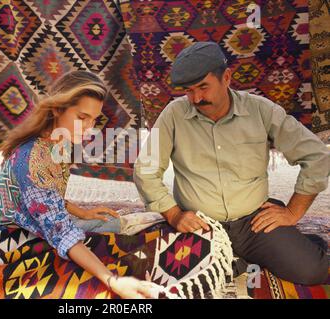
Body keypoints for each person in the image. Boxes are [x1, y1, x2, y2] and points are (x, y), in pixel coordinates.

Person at [134, 41, 330, 285]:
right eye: (188, 90)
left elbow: (316, 155)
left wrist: (292, 212)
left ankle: (258, 252)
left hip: (253, 221)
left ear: (226, 77)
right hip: (200, 225)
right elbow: (146, 169)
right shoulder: (174, 114)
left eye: (203, 87)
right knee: (173, 277)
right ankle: (242, 259)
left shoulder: (260, 110)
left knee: (312, 272)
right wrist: (174, 215)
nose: (196, 98)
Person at [0, 70, 156, 298]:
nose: (89, 127)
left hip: (33, 224)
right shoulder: (33, 160)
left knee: (110, 223)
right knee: (107, 235)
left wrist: (82, 212)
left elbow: (51, 193)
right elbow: (62, 232)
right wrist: (113, 281)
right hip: (5, 239)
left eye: (94, 119)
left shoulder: (58, 142)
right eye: (82, 117)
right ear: (57, 109)